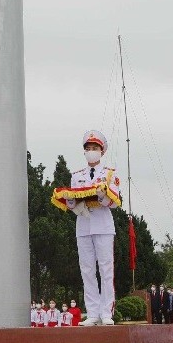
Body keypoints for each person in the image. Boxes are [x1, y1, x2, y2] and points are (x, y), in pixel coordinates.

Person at [59, 130, 122, 326]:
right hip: (84, 224)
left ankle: (106, 312)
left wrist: (102, 195)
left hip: (103, 225)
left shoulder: (110, 174)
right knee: (87, 270)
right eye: (88, 149)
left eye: (94, 148)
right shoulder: (77, 175)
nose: (91, 151)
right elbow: (72, 204)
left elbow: (115, 202)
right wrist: (70, 201)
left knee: (106, 270)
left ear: (102, 151)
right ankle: (93, 312)